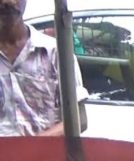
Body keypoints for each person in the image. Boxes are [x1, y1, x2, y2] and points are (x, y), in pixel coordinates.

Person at [0, 0, 88, 136]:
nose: (7, 2)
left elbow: (79, 119)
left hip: (46, 155)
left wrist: (34, 147)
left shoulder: (56, 53)